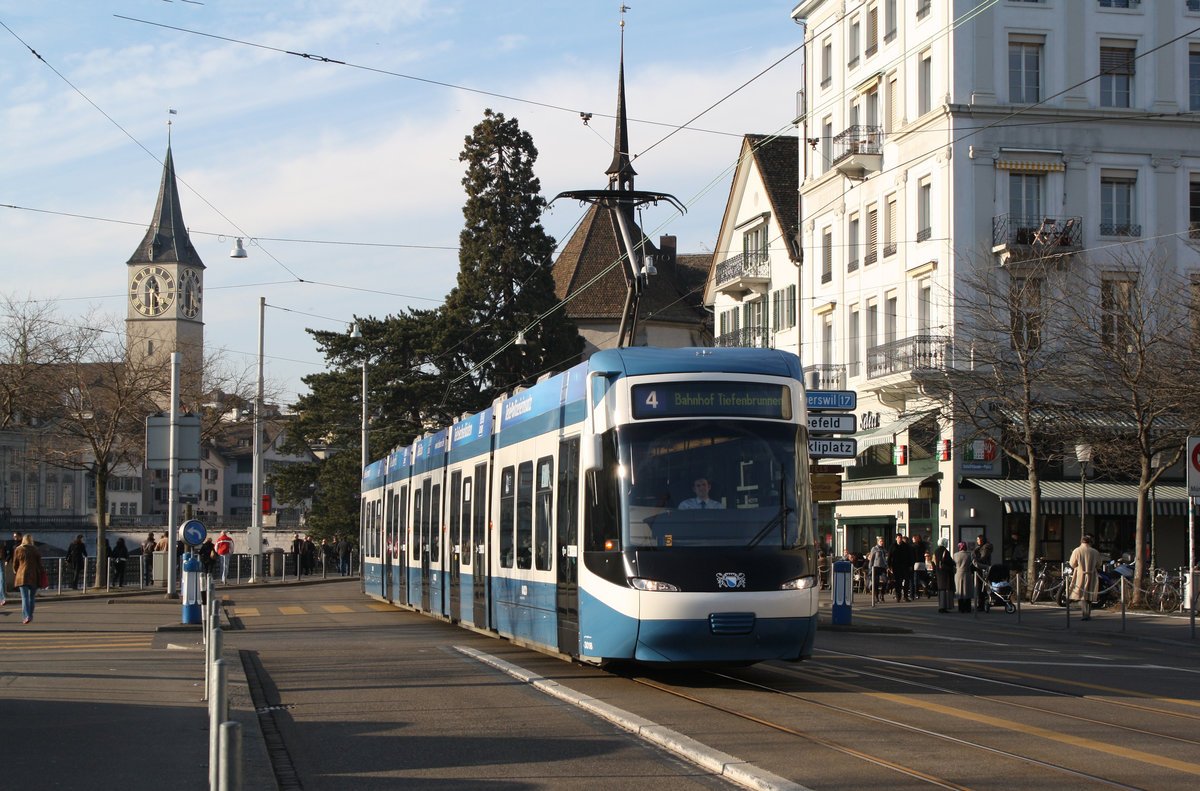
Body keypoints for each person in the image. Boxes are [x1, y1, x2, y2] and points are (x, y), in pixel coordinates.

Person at [1069, 533, 1103, 620]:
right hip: (1092, 575)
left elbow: (1072, 563)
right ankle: (1088, 613)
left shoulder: (1077, 550)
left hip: (1080, 574)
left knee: (1082, 595)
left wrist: (1078, 566)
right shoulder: (1095, 552)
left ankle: (1085, 613)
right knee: (1089, 595)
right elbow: (1099, 564)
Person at [11, 533, 43, 624]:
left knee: (24, 598)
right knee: (31, 597)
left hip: (22, 576)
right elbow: (39, 564)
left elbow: (15, 564)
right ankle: (30, 615)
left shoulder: (18, 549)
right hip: (34, 576)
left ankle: (26, 617)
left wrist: (16, 571)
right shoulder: (35, 550)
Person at [888, 534, 913, 602]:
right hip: (896, 566)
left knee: (906, 580)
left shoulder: (906, 546)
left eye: (901, 538)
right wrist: (889, 566)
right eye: (898, 538)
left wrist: (910, 565)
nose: (900, 539)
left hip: (905, 565)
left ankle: (905, 596)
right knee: (898, 582)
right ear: (896, 538)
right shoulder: (893, 546)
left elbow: (910, 556)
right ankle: (898, 596)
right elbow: (890, 556)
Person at [934, 538, 955, 613]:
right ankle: (945, 606)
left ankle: (941, 606)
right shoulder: (946, 552)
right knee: (946, 589)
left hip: (939, 572)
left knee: (941, 589)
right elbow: (949, 562)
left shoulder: (936, 551)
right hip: (946, 572)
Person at [972, 534, 993, 610]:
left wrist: (977, 559)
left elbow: (983, 558)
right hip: (979, 568)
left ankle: (981, 604)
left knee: (981, 587)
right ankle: (981, 603)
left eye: (978, 539)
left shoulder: (985, 548)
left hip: (983, 569)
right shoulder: (979, 548)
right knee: (979, 587)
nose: (977, 541)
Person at [953, 541, 974, 612]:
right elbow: (975, 564)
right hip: (967, 573)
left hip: (958, 574)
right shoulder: (969, 554)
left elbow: (953, 564)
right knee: (967, 591)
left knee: (959, 591)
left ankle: (961, 608)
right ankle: (967, 608)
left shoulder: (955, 555)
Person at [867, 536, 888, 603]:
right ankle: (876, 597)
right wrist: (870, 567)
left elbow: (885, 558)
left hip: (883, 567)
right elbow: (872, 558)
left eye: (882, 541)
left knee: (885, 581)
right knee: (876, 582)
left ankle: (882, 594)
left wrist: (887, 565)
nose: (882, 543)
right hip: (876, 566)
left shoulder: (884, 549)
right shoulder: (874, 549)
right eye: (880, 541)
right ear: (878, 542)